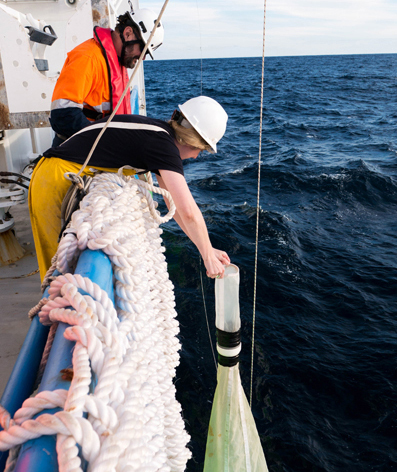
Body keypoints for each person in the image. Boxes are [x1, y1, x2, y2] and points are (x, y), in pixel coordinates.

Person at [29, 96, 231, 281]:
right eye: (201, 150)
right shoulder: (163, 146)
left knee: (61, 264)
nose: (196, 156)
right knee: (55, 266)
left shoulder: (160, 136)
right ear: (192, 140)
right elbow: (188, 211)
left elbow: (173, 203)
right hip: (54, 178)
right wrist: (207, 257)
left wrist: (207, 247)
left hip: (58, 173)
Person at [50, 8, 164, 146]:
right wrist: (106, 145)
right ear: (128, 33)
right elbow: (63, 115)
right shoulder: (88, 57)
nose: (143, 58)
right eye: (143, 50)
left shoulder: (117, 61)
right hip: (78, 151)